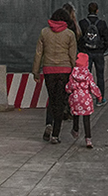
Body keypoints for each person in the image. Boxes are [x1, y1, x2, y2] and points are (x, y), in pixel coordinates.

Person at [32, 8, 79, 143]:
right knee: (60, 101)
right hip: (65, 71)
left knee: (52, 99)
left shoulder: (44, 32)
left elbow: (38, 53)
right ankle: (55, 135)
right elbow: (72, 55)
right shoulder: (69, 34)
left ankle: (49, 124)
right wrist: (74, 72)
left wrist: (35, 71)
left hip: (49, 71)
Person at [65, 53, 102, 148]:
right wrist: (98, 95)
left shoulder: (73, 74)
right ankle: (88, 139)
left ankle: (75, 129)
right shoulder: (88, 75)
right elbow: (93, 86)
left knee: (76, 114)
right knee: (86, 119)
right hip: (86, 98)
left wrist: (68, 90)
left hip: (76, 97)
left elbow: (69, 87)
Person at [78, 2, 108, 103]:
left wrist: (82, 49)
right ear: (97, 11)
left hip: (86, 52)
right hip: (98, 52)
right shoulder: (101, 23)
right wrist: (102, 49)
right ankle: (100, 98)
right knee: (100, 75)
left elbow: (78, 37)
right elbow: (107, 38)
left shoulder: (82, 23)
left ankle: (85, 97)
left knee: (86, 75)